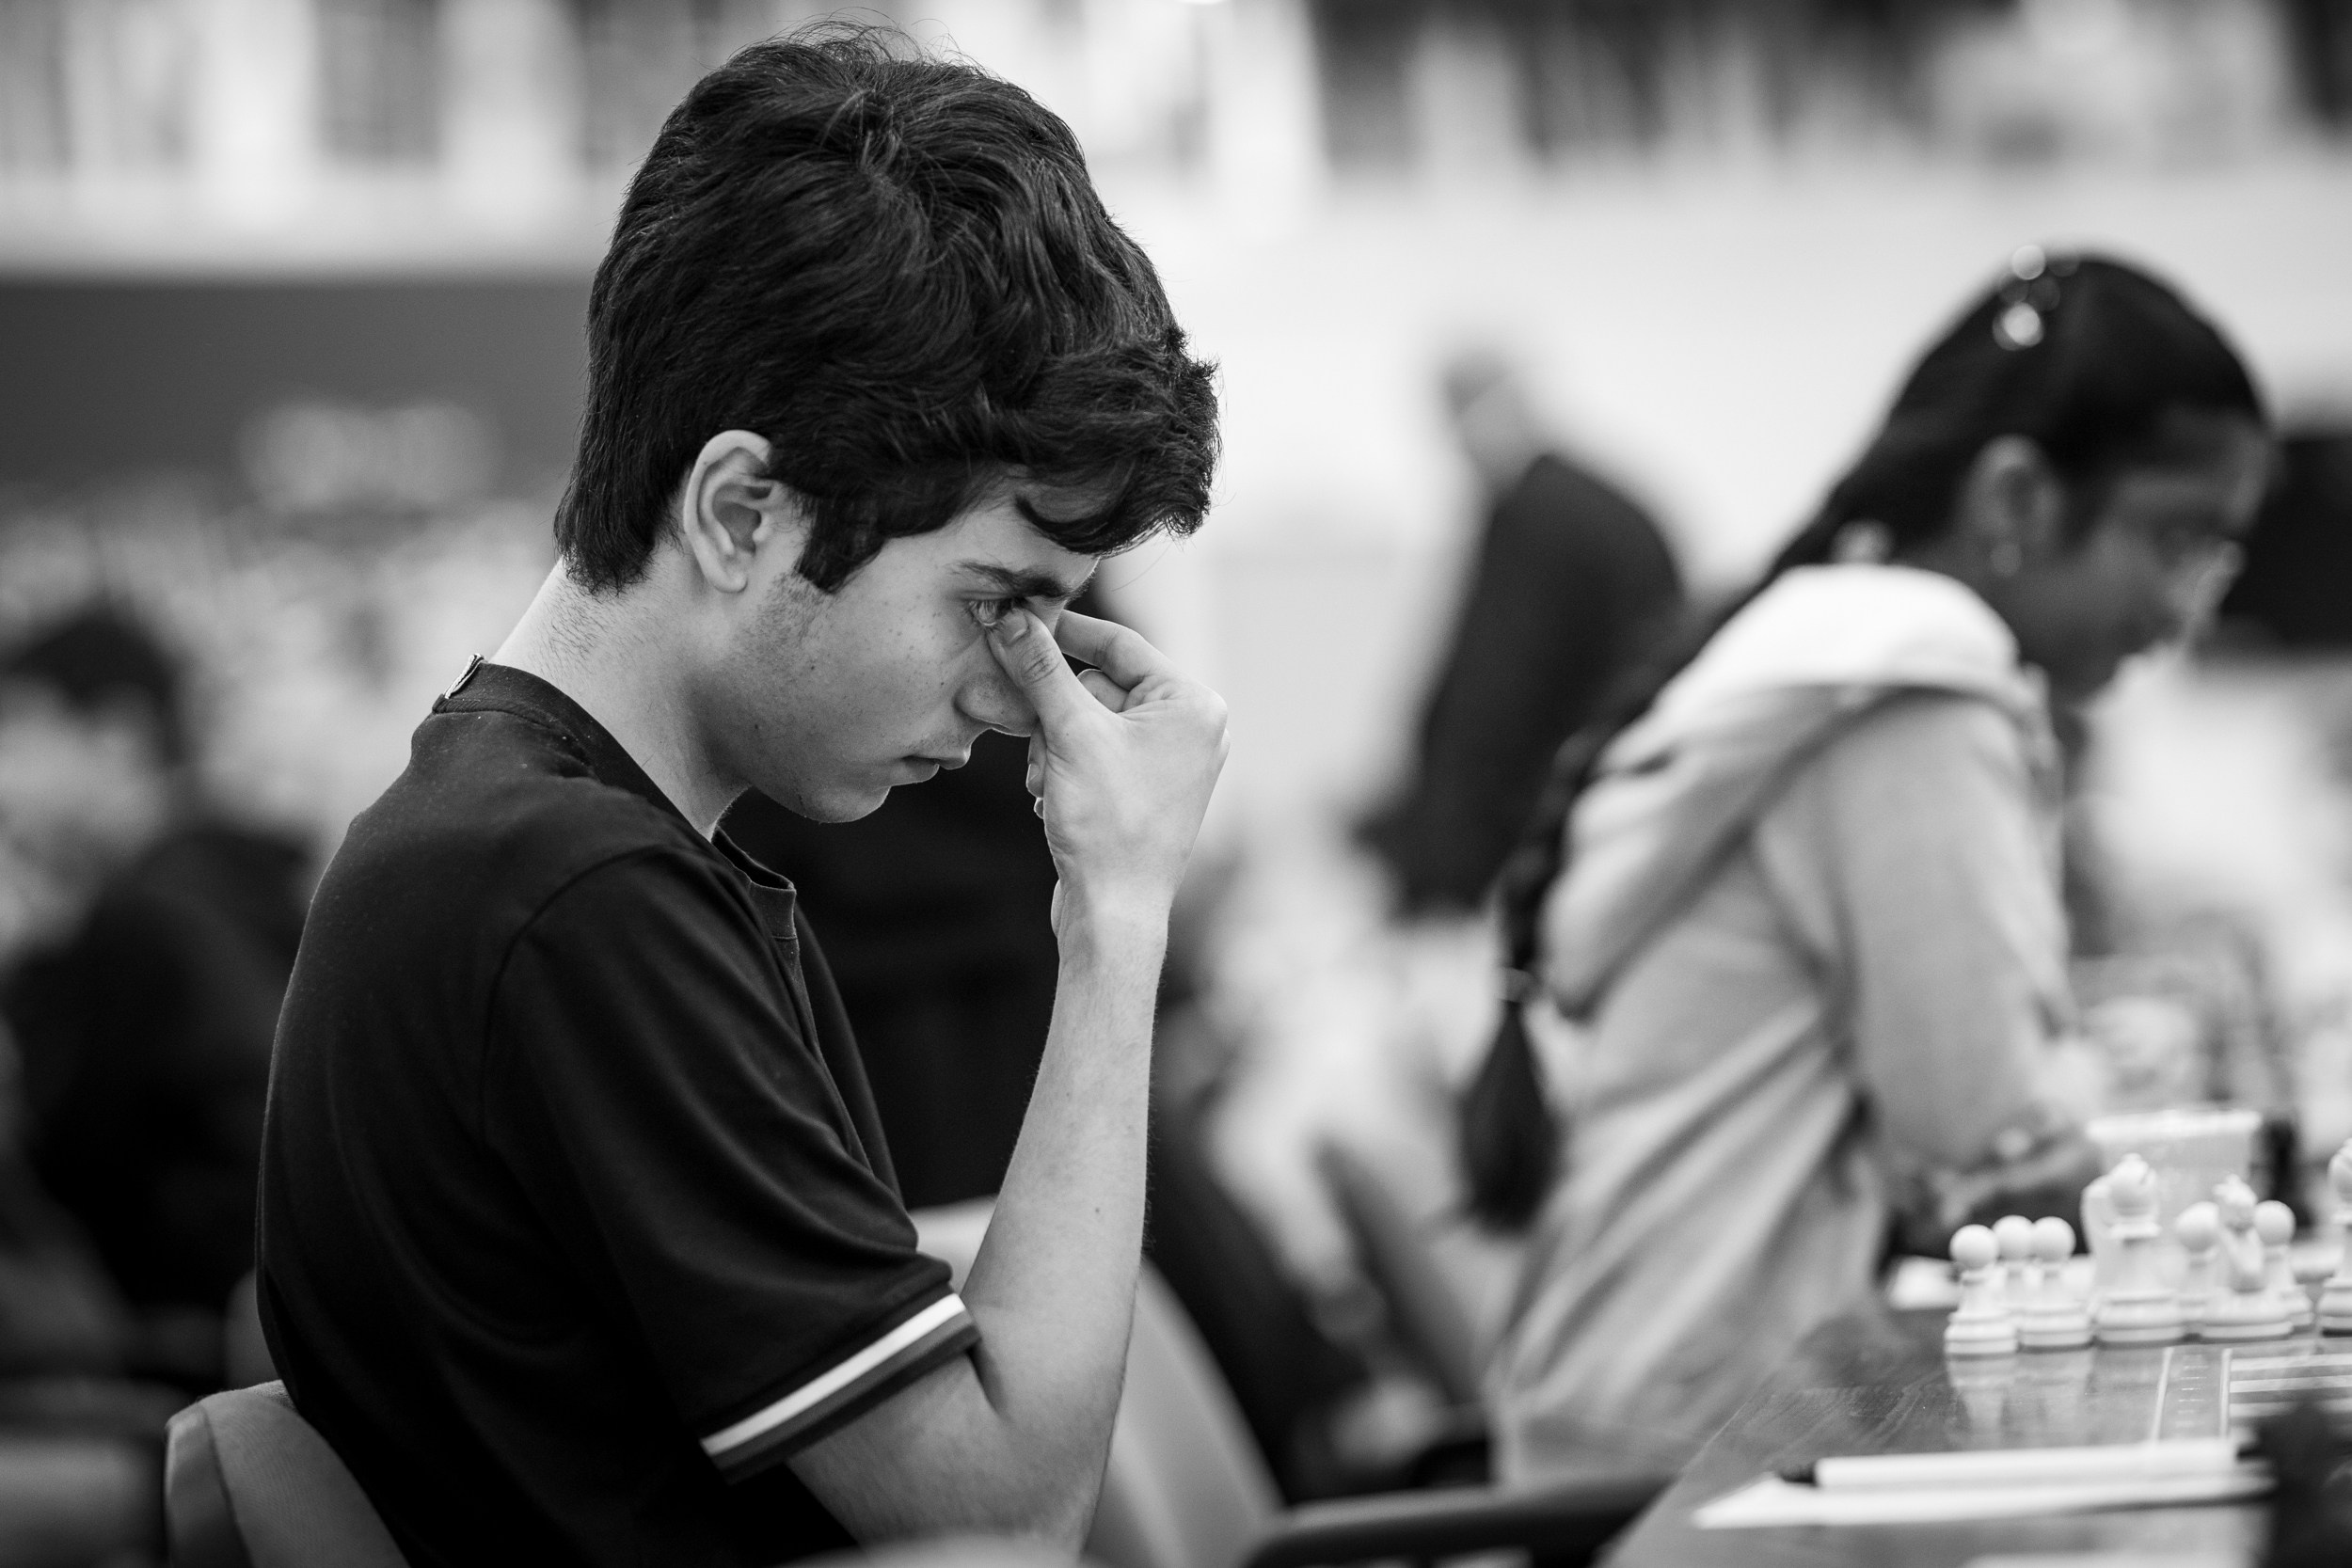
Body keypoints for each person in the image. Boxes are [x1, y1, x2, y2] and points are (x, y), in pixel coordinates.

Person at [257, 28, 1227, 1568]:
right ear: (738, 511)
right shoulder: (573, 903)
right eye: (997, 604)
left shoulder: (542, 851)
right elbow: (1000, 1523)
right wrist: (1118, 910)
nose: (1016, 697)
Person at [1464, 251, 2271, 1476]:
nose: (2186, 607)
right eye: (2174, 538)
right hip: (1696, 1463)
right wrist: (2176, 1111)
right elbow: (1989, 1139)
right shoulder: (1911, 684)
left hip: (1664, 1412)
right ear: (2015, 497)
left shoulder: (1841, 637)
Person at [0, 607, 309, 1372]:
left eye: (19, 726)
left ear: (117, 735)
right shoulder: (238, 881)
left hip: (213, 1351)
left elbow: (70, 1156)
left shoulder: (153, 919)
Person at [1360, 352, 1683, 914]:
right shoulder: (1600, 508)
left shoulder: (1536, 521)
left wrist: (1443, 859)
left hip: (1558, 834)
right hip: (1625, 815)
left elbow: (1495, 697)